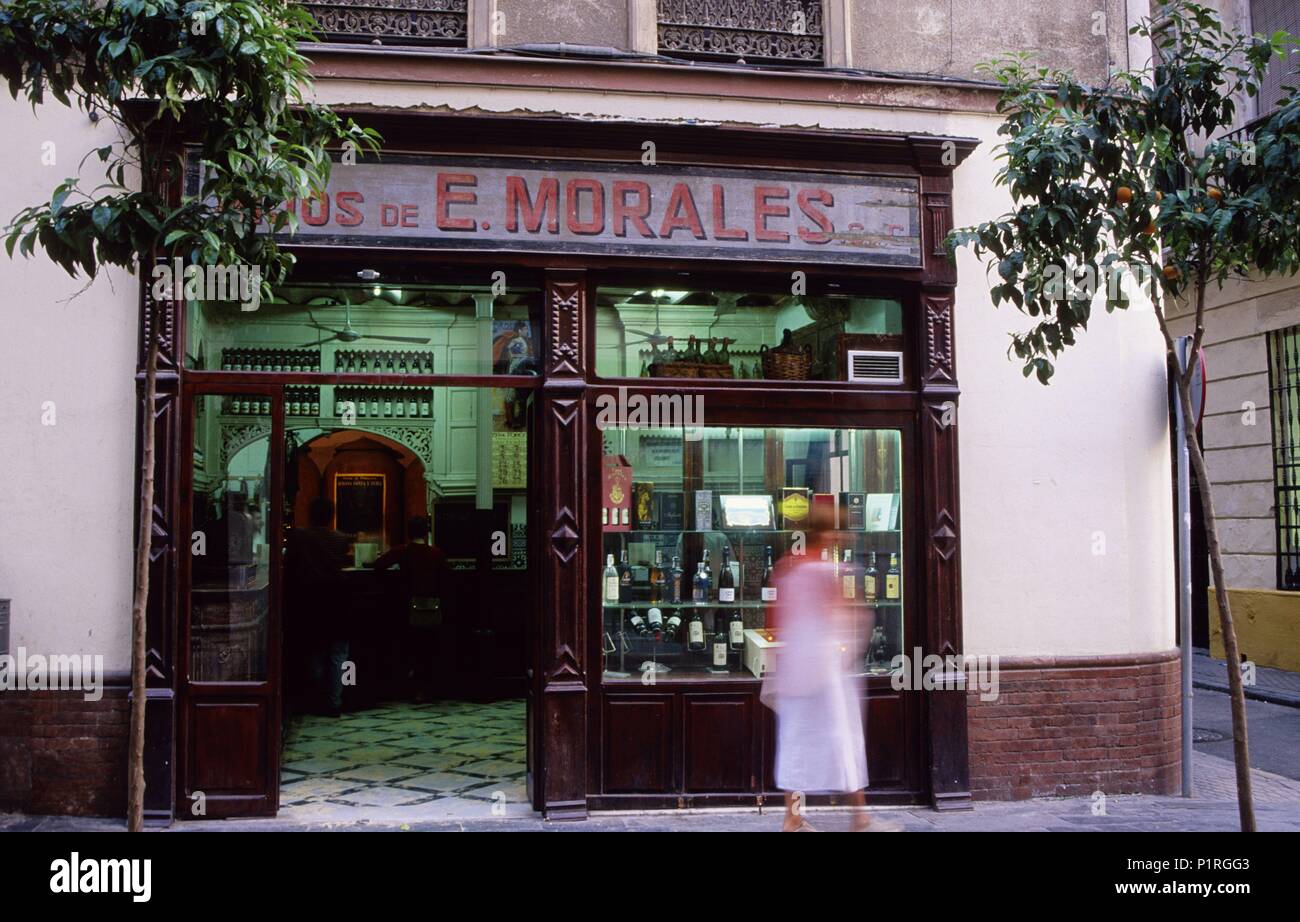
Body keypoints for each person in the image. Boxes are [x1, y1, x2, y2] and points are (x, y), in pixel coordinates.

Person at [760, 502, 883, 832]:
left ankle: (794, 817)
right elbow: (845, 616)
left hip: (796, 668)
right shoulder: (825, 571)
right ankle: (860, 818)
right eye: (839, 529)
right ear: (827, 532)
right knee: (843, 739)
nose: (843, 536)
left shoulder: (788, 566)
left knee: (797, 744)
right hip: (825, 670)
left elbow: (776, 617)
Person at [284, 497, 352, 716]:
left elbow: (289, 566)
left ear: (310, 514)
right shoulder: (341, 539)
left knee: (314, 651)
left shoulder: (299, 536)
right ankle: (334, 703)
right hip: (338, 600)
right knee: (338, 654)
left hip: (309, 601)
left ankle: (312, 699)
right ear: (332, 516)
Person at [374, 515, 447, 700]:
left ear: (408, 533)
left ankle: (410, 687)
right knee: (429, 649)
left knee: (410, 648)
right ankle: (428, 689)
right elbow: (448, 577)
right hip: (432, 608)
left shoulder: (402, 551)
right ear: (426, 532)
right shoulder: (436, 553)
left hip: (407, 608)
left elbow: (378, 565)